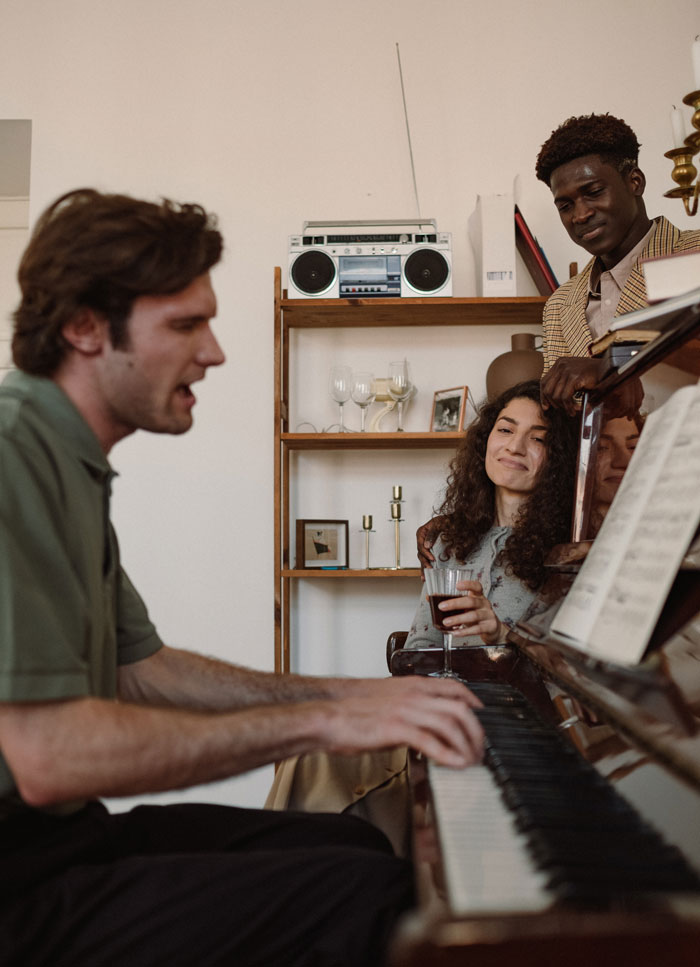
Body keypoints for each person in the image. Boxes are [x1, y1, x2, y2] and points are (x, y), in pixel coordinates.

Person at [0, 188, 485, 967]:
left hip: (62, 839)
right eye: (186, 324)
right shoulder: (14, 452)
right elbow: (50, 755)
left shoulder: (69, 459)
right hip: (16, 885)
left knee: (353, 842)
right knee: (368, 898)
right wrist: (324, 725)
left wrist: (347, 694)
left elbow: (144, 671)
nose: (217, 351)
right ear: (84, 327)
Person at [266, 380, 578, 855]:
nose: (515, 446)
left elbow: (568, 672)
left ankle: (301, 887)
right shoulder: (450, 541)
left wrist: (500, 632)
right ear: (485, 440)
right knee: (310, 741)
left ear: (557, 459)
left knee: (318, 760)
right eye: (505, 429)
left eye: (538, 438)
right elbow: (418, 646)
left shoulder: (565, 557)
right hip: (433, 709)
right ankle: (308, 887)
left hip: (511, 728)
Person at [534, 113, 700, 416]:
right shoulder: (559, 304)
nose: (580, 215)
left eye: (594, 192)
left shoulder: (695, 255)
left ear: (634, 181)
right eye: (565, 206)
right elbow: (561, 415)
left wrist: (611, 371)